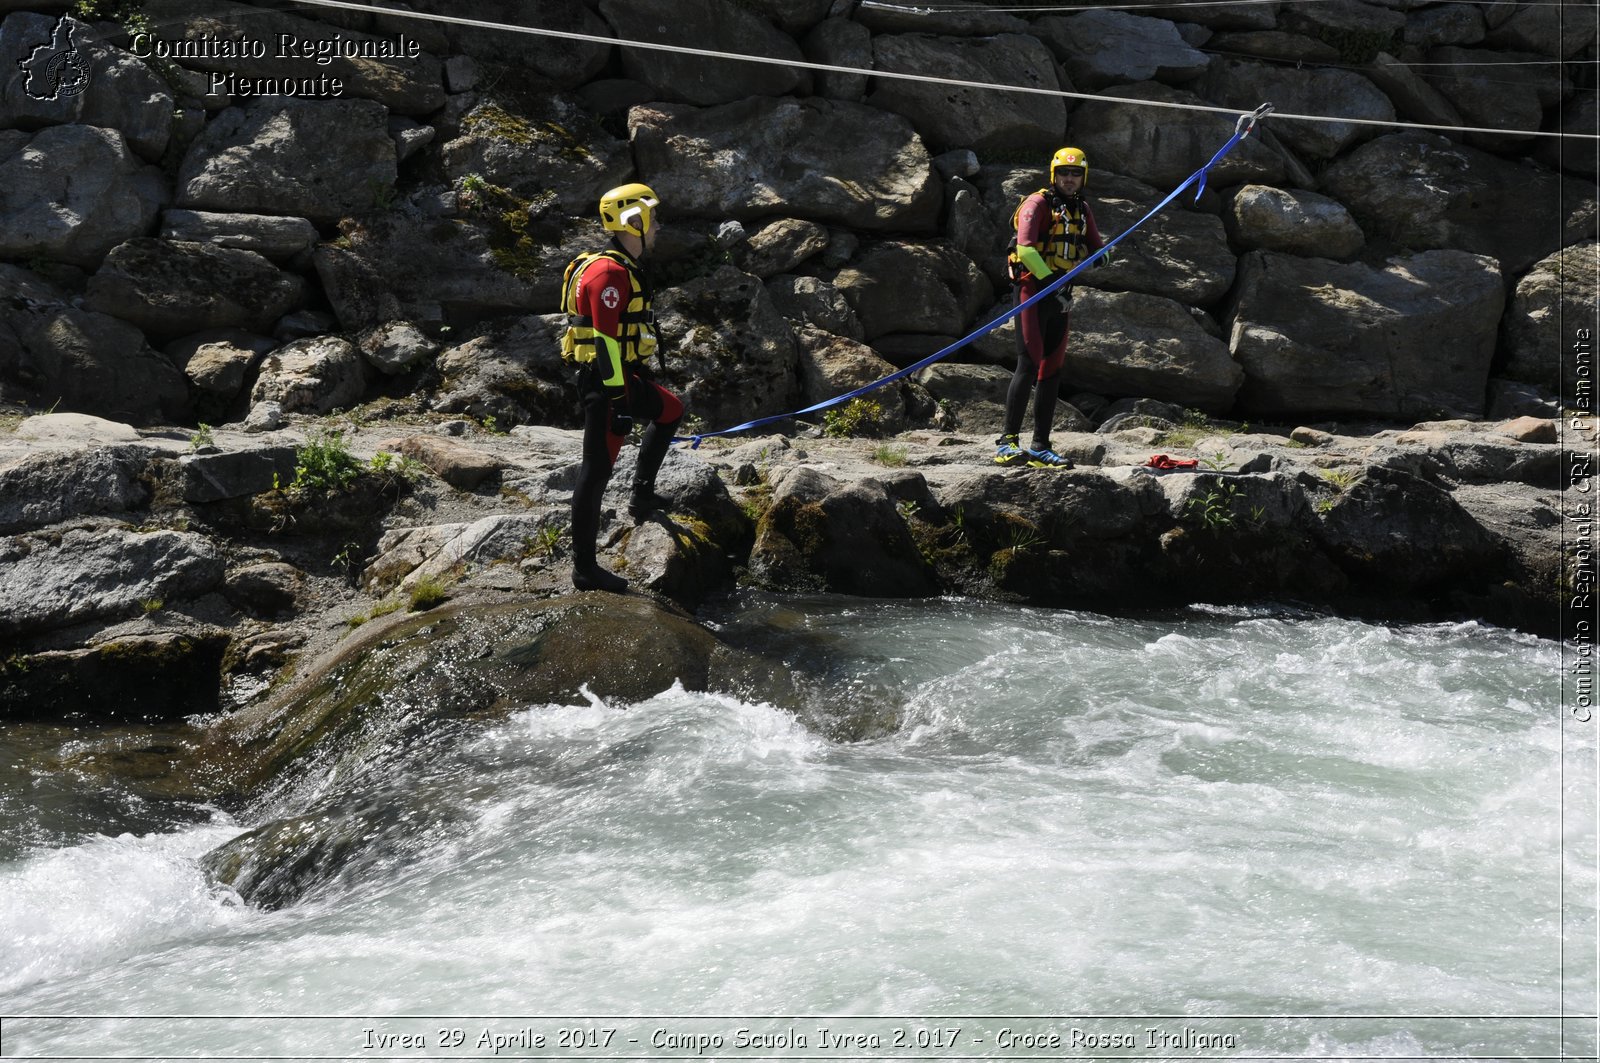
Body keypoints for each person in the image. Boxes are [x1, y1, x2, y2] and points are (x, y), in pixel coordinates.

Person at [560, 181, 683, 593]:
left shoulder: (620, 264)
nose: (658, 226)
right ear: (636, 220)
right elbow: (605, 341)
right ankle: (584, 569)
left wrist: (637, 378)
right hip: (606, 383)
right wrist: (620, 400)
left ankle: (642, 497)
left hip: (622, 376)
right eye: (654, 218)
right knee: (596, 471)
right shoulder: (610, 271)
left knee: (671, 411)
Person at [995, 146, 1106, 469]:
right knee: (1028, 364)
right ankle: (1007, 443)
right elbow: (1025, 249)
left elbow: (1097, 246)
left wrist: (1103, 255)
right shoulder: (1037, 203)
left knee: (1052, 370)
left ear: (1082, 177)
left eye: (1075, 174)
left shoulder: (1082, 209)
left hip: (1061, 294)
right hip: (1033, 289)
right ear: (1053, 175)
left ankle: (1041, 446)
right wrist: (1049, 285)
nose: (1069, 179)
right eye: (1064, 174)